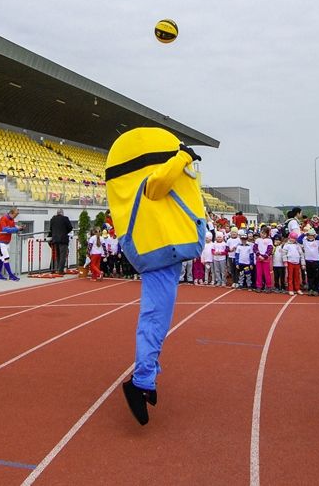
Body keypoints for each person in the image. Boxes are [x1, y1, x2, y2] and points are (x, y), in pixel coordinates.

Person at [106, 128, 204, 425]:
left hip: (164, 250)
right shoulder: (163, 171)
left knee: (159, 317)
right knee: (155, 318)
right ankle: (141, 382)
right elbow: (155, 186)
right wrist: (183, 156)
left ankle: (147, 376)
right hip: (159, 249)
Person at [0, 207, 21, 281]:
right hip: (1, 241)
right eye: (16, 214)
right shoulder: (3, 218)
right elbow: (5, 229)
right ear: (11, 213)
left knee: (1, 258)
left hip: (6, 241)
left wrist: (18, 228)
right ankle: (11, 275)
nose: (16, 216)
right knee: (6, 258)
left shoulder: (11, 219)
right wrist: (16, 229)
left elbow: (13, 228)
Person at [47, 208, 73, 274]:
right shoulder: (65, 218)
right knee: (63, 256)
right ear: (62, 213)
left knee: (57, 255)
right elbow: (70, 228)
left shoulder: (53, 219)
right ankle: (60, 270)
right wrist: (65, 232)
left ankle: (57, 268)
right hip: (63, 239)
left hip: (55, 239)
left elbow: (51, 229)